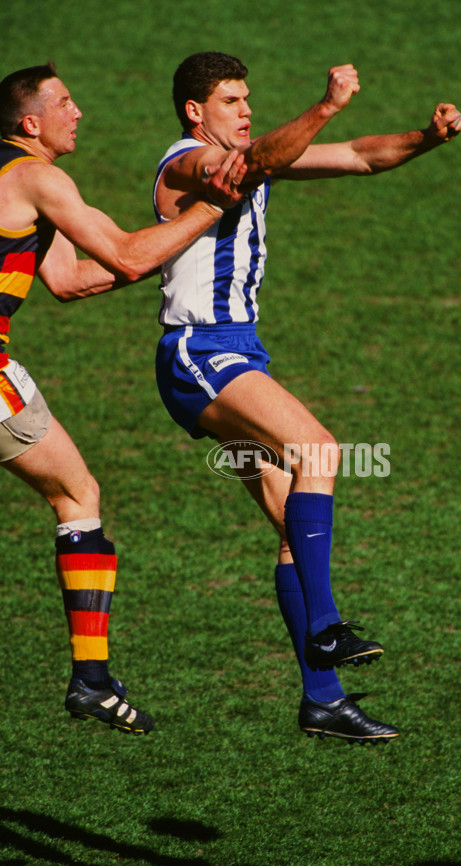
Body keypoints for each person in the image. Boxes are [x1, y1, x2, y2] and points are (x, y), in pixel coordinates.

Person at [153, 52, 461, 744]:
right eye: (231, 101)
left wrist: (425, 138)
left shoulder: (254, 159)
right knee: (318, 451)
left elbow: (358, 157)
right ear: (195, 113)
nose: (246, 110)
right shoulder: (188, 162)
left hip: (232, 350)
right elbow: (250, 161)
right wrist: (323, 106)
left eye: (247, 99)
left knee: (293, 530)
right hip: (202, 351)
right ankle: (326, 627)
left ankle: (322, 700)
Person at [0, 61, 247, 735]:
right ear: (32, 123)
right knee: (77, 498)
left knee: (78, 491)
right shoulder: (38, 176)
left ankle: (95, 680)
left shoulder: (13, 182)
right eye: (65, 103)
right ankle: (90, 678)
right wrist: (211, 209)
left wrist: (173, 246)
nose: (78, 112)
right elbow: (127, 258)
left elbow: (73, 280)